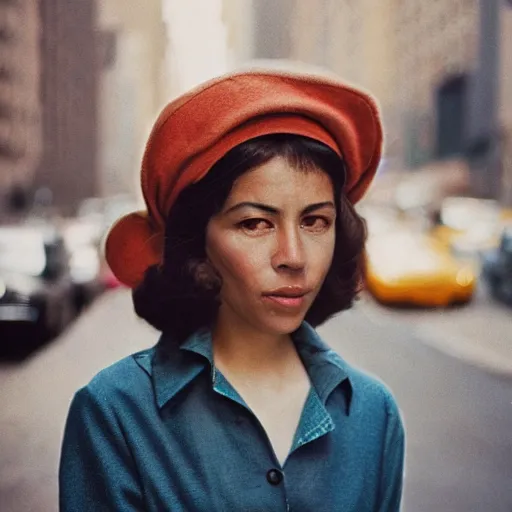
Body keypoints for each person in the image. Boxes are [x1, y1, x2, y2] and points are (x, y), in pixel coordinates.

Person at [59, 65, 405, 511]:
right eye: (255, 223)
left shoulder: (374, 414)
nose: (294, 256)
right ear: (198, 251)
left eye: (315, 221)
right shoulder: (115, 412)